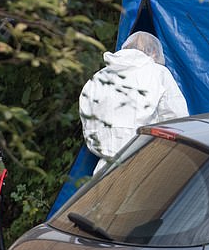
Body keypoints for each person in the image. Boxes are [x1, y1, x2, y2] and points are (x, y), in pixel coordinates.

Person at [79, 31, 189, 173]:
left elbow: (89, 124)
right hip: (148, 166)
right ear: (154, 53)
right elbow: (177, 121)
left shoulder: (98, 78)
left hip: (104, 170)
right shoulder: (158, 73)